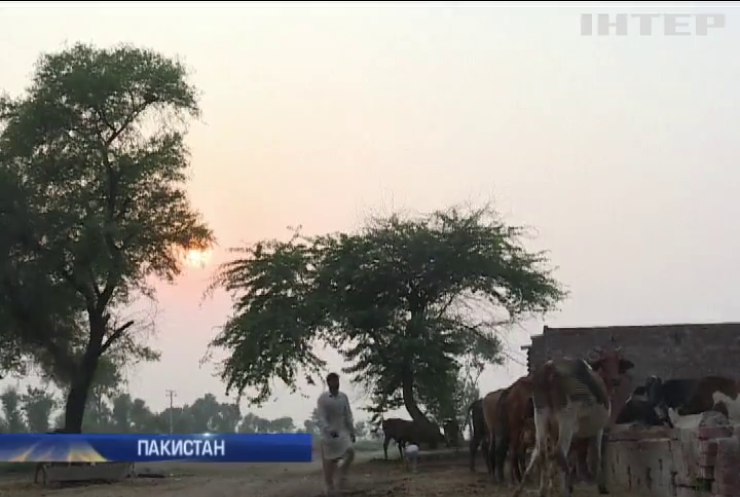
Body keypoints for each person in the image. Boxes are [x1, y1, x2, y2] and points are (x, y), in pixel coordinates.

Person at [317, 372, 356, 496]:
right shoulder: (323, 399)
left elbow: (348, 415)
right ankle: (329, 487)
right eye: (333, 381)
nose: (336, 384)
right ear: (329, 383)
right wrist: (329, 429)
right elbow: (322, 417)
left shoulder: (343, 397)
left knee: (350, 452)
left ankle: (342, 475)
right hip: (328, 436)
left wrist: (352, 431)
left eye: (337, 381)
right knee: (329, 464)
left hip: (342, 431)